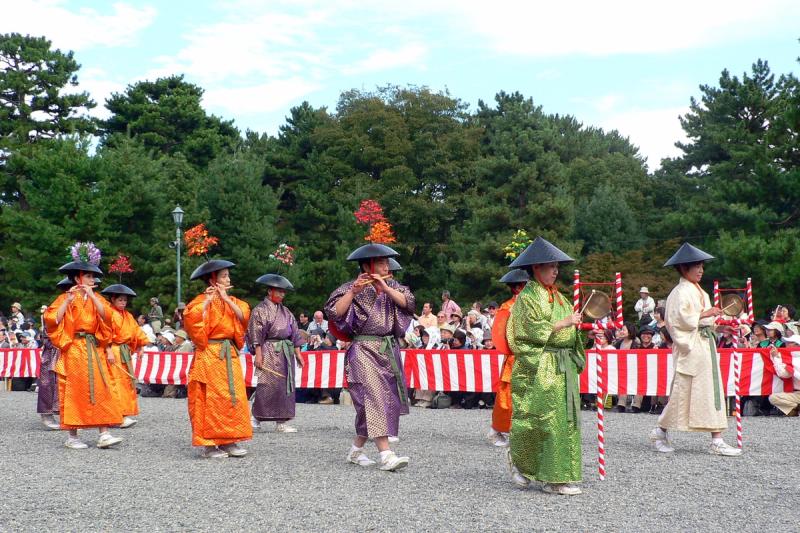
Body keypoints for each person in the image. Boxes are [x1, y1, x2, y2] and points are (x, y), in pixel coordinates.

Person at [325, 243, 415, 471]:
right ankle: (386, 454)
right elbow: (333, 312)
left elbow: (409, 304)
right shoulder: (350, 288)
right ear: (368, 265)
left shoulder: (394, 286)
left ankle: (356, 451)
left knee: (379, 401)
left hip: (387, 350)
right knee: (373, 397)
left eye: (387, 262)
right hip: (363, 349)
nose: (387, 266)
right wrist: (353, 292)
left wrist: (385, 288)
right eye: (382, 262)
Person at [506, 236, 585, 495]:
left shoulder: (560, 298)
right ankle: (524, 463)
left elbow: (571, 330)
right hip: (540, 363)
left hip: (562, 364)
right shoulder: (527, 297)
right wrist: (564, 324)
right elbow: (527, 331)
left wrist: (581, 335)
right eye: (550, 266)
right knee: (539, 419)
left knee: (564, 421)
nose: (555, 271)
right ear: (536, 268)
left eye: (556, 267)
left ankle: (557, 476)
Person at [650, 243, 741, 456]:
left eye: (701, 266)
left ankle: (716, 438)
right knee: (683, 393)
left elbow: (704, 320)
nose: (701, 270)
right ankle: (660, 430)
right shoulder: (679, 292)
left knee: (710, 392)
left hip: (704, 345)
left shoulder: (699, 291)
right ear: (684, 269)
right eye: (696, 266)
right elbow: (674, 321)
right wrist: (704, 315)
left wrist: (720, 326)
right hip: (690, 348)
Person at [45, 252, 124, 449]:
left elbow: (107, 317)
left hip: (93, 346)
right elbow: (51, 320)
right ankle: (72, 435)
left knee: (100, 387)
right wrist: (67, 301)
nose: (92, 279)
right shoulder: (65, 296)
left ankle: (104, 432)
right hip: (74, 348)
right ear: (78, 277)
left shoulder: (97, 297)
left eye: (92, 277)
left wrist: (91, 295)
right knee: (73, 389)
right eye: (88, 276)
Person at [184, 259, 252, 459]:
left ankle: (229, 440)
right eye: (223, 276)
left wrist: (226, 298)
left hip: (228, 354)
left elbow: (244, 317)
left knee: (233, 396)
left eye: (227, 275)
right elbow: (191, 318)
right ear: (212, 279)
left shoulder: (235, 301)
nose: (228, 279)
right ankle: (209, 444)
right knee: (209, 398)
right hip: (209, 354)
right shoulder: (199, 301)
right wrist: (208, 300)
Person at [247, 273, 305, 433]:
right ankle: (255, 417)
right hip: (268, 349)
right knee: (267, 384)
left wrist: (298, 353)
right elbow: (255, 333)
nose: (282, 294)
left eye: (283, 292)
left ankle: (282, 420)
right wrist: (258, 354)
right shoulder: (260, 310)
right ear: (269, 291)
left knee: (285, 386)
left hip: (285, 353)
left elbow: (295, 333)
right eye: (278, 291)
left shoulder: (286, 311)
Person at [488, 268, 529, 448]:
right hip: (515, 357)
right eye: (527, 286)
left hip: (529, 355)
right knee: (507, 397)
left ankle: (521, 431)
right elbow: (502, 334)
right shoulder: (507, 307)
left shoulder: (531, 305)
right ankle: (497, 429)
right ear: (519, 288)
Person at [101, 283, 151, 429]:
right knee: (114, 383)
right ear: (112, 299)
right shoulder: (108, 313)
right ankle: (115, 416)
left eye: (124, 300)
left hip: (125, 351)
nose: (123, 303)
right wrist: (108, 350)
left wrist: (141, 346)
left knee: (126, 383)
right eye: (120, 300)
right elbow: (104, 333)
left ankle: (124, 413)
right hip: (114, 350)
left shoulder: (128, 315)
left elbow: (136, 331)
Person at [37, 278, 75, 430]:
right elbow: (50, 325)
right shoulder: (55, 306)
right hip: (53, 348)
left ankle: (68, 413)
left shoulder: (76, 306)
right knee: (49, 382)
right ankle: (46, 413)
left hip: (69, 349)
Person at [767, 335, 800, 416]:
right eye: (786, 342)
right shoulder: (788, 357)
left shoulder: (793, 359)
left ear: (797, 345)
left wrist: (776, 358)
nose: (786, 344)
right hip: (796, 393)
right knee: (773, 398)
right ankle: (796, 408)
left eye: (790, 343)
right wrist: (776, 357)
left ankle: (794, 409)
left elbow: (784, 374)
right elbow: (784, 374)